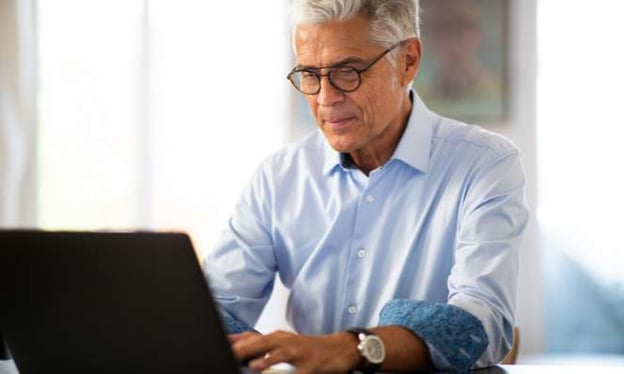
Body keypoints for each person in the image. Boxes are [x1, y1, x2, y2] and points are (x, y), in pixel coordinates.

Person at [203, 0, 529, 372]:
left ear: (408, 61)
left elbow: (481, 322)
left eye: (348, 71)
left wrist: (354, 348)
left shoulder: (485, 164)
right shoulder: (278, 177)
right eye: (310, 74)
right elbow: (210, 312)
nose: (326, 98)